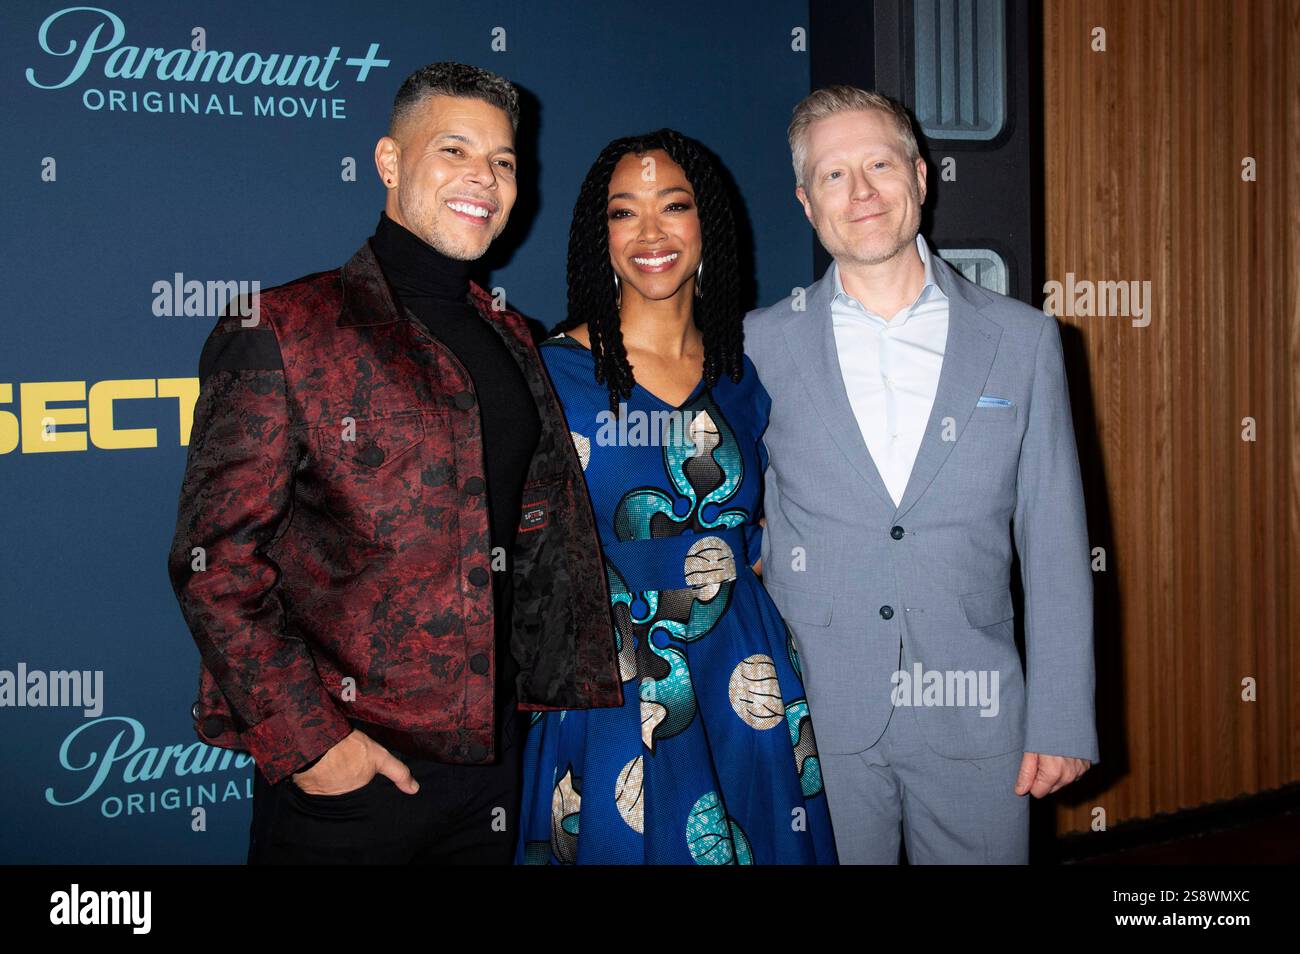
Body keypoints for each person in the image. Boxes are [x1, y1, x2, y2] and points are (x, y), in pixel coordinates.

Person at [166, 62, 622, 864]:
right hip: (348, 784)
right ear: (388, 161)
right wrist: (313, 745)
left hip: (492, 773)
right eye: (453, 150)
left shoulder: (516, 339)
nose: (483, 177)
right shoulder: (284, 326)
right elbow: (215, 566)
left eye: (503, 162)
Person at [744, 86, 1097, 864]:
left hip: (977, 715)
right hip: (815, 715)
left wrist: (1063, 717)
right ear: (807, 203)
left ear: (922, 175)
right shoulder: (759, 345)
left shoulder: (1024, 340)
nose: (861, 192)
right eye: (834, 176)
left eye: (878, 163)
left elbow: (1056, 539)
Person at [514, 129, 838, 865]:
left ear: (708, 225)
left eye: (674, 206)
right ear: (599, 237)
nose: (651, 233)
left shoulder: (744, 375)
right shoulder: (548, 375)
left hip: (743, 667)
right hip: (610, 677)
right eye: (624, 213)